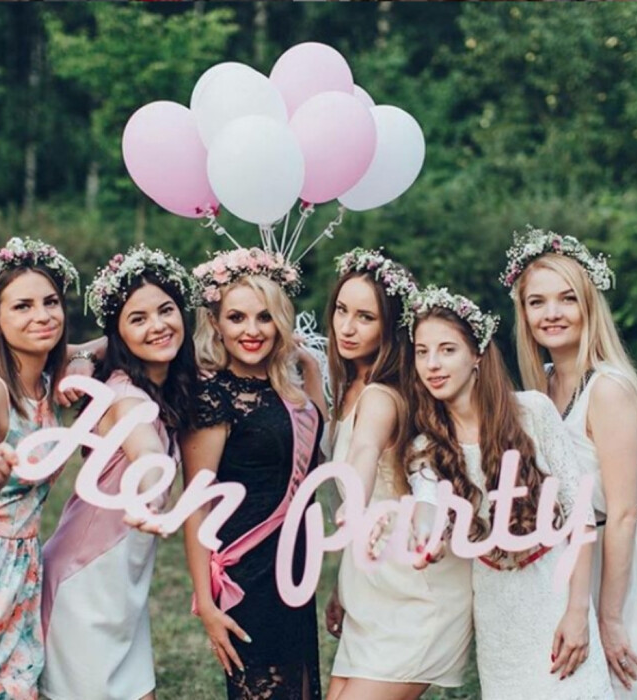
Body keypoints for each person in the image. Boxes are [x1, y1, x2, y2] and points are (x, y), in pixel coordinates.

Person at [403, 283, 614, 699]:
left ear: (477, 354)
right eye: (422, 352)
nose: (433, 364)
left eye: (447, 349)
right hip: (497, 608)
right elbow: (426, 508)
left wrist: (577, 612)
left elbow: (580, 518)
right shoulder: (425, 447)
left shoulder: (533, 411)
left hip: (554, 593)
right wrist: (424, 538)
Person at [40, 245, 199, 700]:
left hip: (124, 586)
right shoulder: (125, 395)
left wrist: (84, 352)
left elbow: (115, 340)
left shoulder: (164, 381)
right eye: (138, 319)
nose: (157, 326)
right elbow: (147, 454)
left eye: (166, 310)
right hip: (84, 582)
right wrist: (156, 492)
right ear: (120, 332)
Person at [505, 225, 637, 697]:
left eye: (567, 299)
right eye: (537, 302)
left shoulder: (608, 388)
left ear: (588, 305)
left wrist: (609, 616)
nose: (552, 313)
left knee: (628, 680)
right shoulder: (542, 388)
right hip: (576, 563)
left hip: (628, 565)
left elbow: (625, 513)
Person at [323, 248, 473, 700]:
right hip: (371, 591)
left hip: (416, 594)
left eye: (365, 317)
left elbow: (366, 450)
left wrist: (351, 500)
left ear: (390, 326)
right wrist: (342, 587)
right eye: (341, 311)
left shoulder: (384, 395)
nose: (347, 327)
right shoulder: (347, 388)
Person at [184, 247, 325, 700]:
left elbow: (316, 454)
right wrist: (206, 602)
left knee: (300, 688)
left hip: (295, 566)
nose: (251, 330)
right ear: (217, 325)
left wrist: (310, 370)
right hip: (248, 572)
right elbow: (196, 504)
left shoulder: (287, 387)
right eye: (237, 318)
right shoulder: (214, 397)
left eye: (264, 317)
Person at [0, 237, 79, 699]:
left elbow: (109, 342)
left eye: (51, 302)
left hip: (21, 568)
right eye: (23, 307)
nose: (42, 316)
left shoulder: (48, 377)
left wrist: (81, 358)